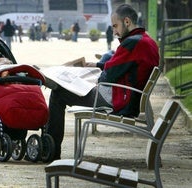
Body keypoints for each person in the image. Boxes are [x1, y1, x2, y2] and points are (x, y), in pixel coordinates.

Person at [46, 4, 159, 161]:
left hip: (119, 99)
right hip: (129, 96)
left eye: (115, 26)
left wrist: (101, 72)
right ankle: (50, 147)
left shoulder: (132, 43)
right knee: (78, 83)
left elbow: (107, 77)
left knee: (58, 94)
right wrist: (100, 66)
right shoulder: (146, 40)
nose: (114, 32)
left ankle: (51, 152)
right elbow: (122, 65)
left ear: (127, 22)